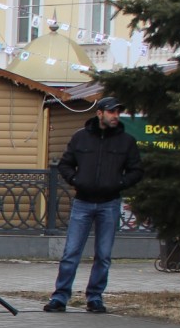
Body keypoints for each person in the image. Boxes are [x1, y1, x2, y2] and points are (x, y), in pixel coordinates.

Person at [45, 96, 142, 314]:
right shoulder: (81, 138)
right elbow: (65, 164)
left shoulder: (126, 141)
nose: (115, 116)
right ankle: (60, 296)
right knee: (71, 253)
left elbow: (136, 170)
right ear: (99, 113)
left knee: (103, 255)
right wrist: (76, 180)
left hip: (109, 203)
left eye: (118, 112)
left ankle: (95, 297)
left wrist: (119, 183)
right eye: (111, 112)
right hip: (83, 203)